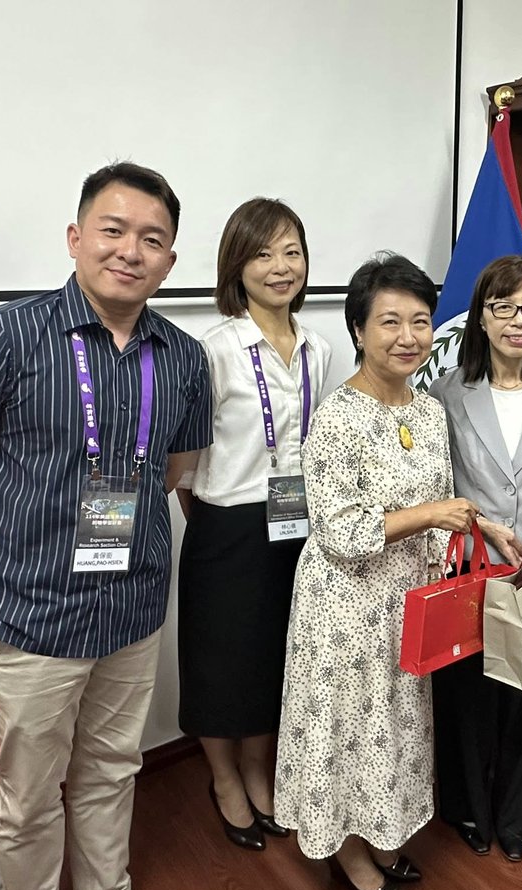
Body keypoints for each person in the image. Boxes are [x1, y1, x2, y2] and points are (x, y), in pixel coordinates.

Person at [0, 162, 211, 890]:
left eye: (152, 239)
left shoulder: (183, 358)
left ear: (169, 260)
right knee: (29, 797)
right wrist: (23, 543)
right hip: (31, 618)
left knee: (114, 769)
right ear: (76, 238)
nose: (130, 251)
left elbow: (172, 470)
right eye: (113, 231)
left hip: (132, 612)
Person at [273, 253, 479, 890]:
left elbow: (443, 501)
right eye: (389, 321)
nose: (408, 337)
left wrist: (463, 531)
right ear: (358, 330)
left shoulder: (426, 411)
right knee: (348, 728)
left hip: (407, 600)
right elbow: (342, 532)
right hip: (345, 605)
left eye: (420, 321)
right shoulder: (337, 418)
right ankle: (350, 855)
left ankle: (383, 832)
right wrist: (431, 515)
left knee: (393, 725)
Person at [177, 198, 332, 851]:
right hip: (226, 524)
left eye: (291, 251)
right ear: (236, 265)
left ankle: (256, 767)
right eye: (263, 253)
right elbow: (185, 463)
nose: (280, 266)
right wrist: (217, 519)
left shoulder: (320, 347)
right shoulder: (211, 350)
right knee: (219, 663)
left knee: (274, 657)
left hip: (295, 523)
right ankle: (223, 777)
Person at [428, 255, 522, 862]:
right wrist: (481, 522)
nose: (520, 320)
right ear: (481, 317)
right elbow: (435, 481)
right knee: (470, 692)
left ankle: (520, 810)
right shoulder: (446, 393)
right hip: (473, 564)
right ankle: (467, 807)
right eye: (504, 307)